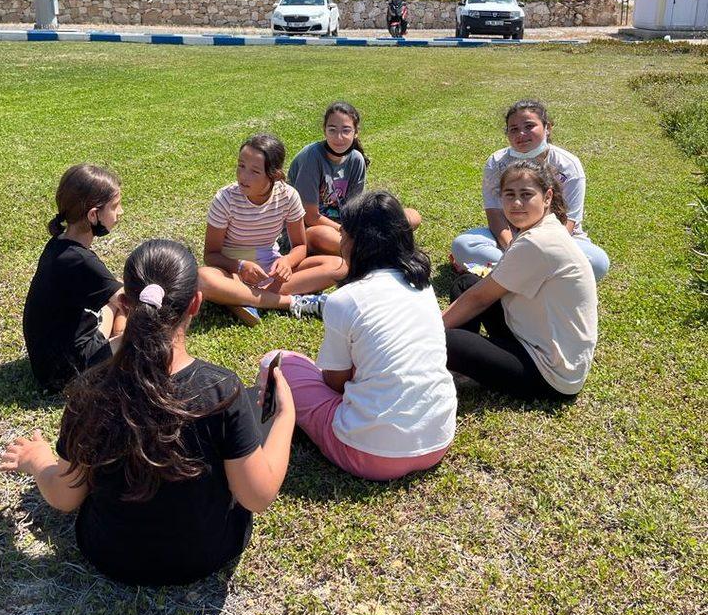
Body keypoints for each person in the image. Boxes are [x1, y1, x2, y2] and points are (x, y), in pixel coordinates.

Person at [0, 239, 296, 586]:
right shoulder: (221, 391)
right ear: (196, 303)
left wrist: (38, 460)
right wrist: (285, 416)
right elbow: (256, 496)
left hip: (108, 554)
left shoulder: (90, 388)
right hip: (207, 553)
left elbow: (65, 497)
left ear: (125, 303)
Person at [260, 191, 456, 481]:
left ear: (355, 242)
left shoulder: (345, 300)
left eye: (343, 234)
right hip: (437, 441)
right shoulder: (422, 286)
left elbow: (335, 383)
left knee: (274, 363)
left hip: (368, 454)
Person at [443, 160, 598, 401]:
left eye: (526, 195)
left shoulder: (538, 241)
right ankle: (463, 370)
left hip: (551, 374)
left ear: (547, 197)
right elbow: (482, 289)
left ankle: (460, 363)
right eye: (509, 195)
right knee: (466, 284)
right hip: (532, 337)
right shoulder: (543, 227)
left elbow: (480, 299)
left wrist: (427, 330)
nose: (516, 203)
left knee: (443, 339)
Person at [450, 99, 610, 281]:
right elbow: (495, 214)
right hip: (511, 238)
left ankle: (507, 276)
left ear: (547, 127)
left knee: (597, 262)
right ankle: (539, 279)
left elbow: (569, 222)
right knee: (463, 245)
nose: (521, 134)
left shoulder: (568, 165)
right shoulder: (497, 162)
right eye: (514, 129)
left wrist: (538, 252)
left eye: (529, 126)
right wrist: (513, 248)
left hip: (557, 241)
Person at [198, 134, 345, 326]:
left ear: (274, 174)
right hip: (233, 272)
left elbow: (300, 246)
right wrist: (241, 266)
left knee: (339, 265)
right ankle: (289, 302)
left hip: (271, 273)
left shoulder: (288, 196)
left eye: (255, 171)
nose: (243, 176)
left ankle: (243, 298)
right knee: (203, 277)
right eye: (241, 166)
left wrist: (287, 262)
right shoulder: (225, 199)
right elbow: (211, 255)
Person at [23, 164, 127, 391]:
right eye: (115, 206)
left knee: (116, 296)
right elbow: (134, 303)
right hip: (68, 372)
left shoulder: (59, 244)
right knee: (144, 334)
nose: (120, 212)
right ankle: (119, 339)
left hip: (48, 362)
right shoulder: (81, 261)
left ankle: (117, 336)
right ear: (93, 215)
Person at [288, 101, 421, 256]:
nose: (339, 137)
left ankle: (366, 248)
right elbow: (310, 217)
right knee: (322, 235)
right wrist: (344, 231)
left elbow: (354, 208)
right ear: (324, 130)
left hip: (344, 225)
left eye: (346, 130)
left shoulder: (356, 159)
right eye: (332, 130)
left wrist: (358, 229)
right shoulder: (312, 156)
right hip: (310, 227)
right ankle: (375, 249)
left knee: (412, 216)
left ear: (355, 132)